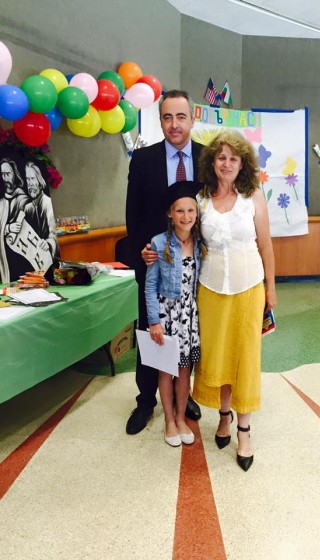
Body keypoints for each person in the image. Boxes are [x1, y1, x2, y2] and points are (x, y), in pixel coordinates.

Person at [192, 130, 277, 471]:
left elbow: (266, 245)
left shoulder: (253, 196)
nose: (226, 164)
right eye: (221, 157)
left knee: (245, 358)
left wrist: (271, 288)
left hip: (248, 287)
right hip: (210, 289)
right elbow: (188, 242)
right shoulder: (201, 199)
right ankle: (223, 415)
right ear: (212, 162)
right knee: (219, 355)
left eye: (233, 158)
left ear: (243, 164)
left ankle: (244, 431)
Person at [125, 90, 203, 435]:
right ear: (160, 121)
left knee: (189, 337)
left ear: (192, 119)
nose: (174, 124)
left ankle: (185, 398)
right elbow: (133, 215)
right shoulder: (143, 160)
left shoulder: (206, 158)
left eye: (181, 117)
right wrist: (140, 253)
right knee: (151, 334)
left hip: (193, 269)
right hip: (154, 265)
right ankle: (146, 401)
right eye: (167, 117)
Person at [145, 180, 206, 446]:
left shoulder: (201, 243)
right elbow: (150, 286)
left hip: (189, 317)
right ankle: (169, 420)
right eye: (179, 210)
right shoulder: (159, 243)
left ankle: (181, 417)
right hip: (166, 316)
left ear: (197, 213)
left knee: (184, 371)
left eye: (191, 210)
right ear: (170, 213)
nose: (186, 216)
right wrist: (154, 321)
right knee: (165, 372)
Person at [0, 158, 29, 283]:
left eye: (8, 174)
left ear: (14, 174)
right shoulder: (1, 203)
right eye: (3, 174)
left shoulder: (23, 199)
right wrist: (8, 228)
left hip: (22, 254)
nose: (5, 178)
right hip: (6, 257)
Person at [24, 162, 58, 258]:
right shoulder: (27, 208)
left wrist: (48, 243)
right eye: (27, 179)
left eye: (32, 178)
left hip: (48, 258)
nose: (30, 183)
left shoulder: (47, 203)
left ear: (39, 181)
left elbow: (53, 233)